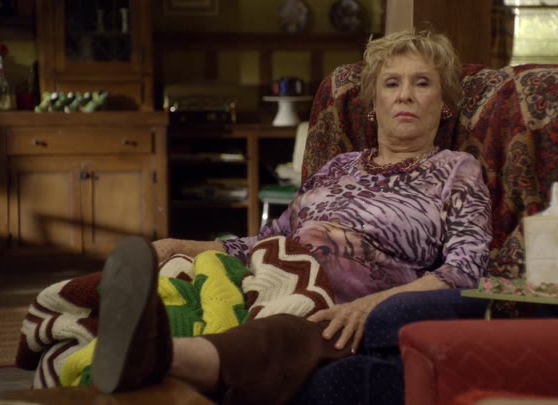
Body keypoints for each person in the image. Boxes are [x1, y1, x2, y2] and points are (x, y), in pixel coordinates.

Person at [91, 29, 492, 404]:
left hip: (333, 310)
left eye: (421, 83)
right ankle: (97, 325)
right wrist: (176, 246)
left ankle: (160, 356)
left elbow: (465, 270)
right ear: (374, 104)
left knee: (286, 331)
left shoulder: (455, 170)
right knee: (173, 271)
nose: (405, 95)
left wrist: (370, 307)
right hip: (272, 280)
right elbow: (269, 240)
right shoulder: (337, 167)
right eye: (391, 84)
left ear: (444, 104)